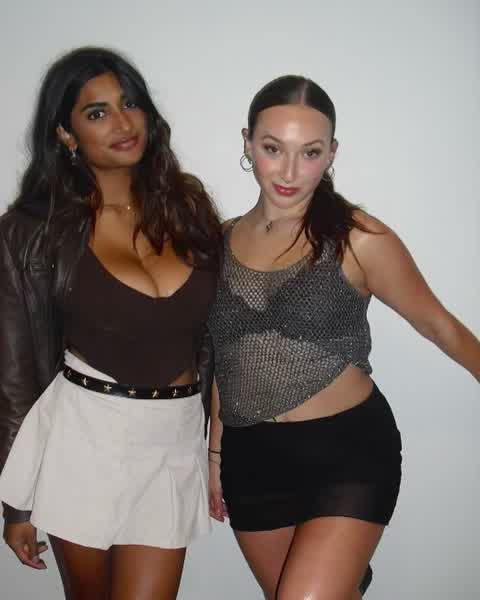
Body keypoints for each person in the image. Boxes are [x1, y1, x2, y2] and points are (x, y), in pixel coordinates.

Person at [207, 75, 480, 600]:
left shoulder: (357, 237)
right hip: (251, 460)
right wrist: (216, 454)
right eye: (272, 149)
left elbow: (438, 324)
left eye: (309, 152)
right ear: (247, 143)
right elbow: (225, 355)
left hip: (347, 453)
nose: (289, 171)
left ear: (331, 154)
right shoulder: (218, 241)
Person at [0, 46, 221, 600]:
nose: (122, 123)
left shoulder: (189, 208)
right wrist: (15, 504)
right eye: (96, 112)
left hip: (173, 438)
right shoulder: (30, 230)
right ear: (65, 134)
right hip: (85, 437)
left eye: (129, 104)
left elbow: (217, 337)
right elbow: (14, 374)